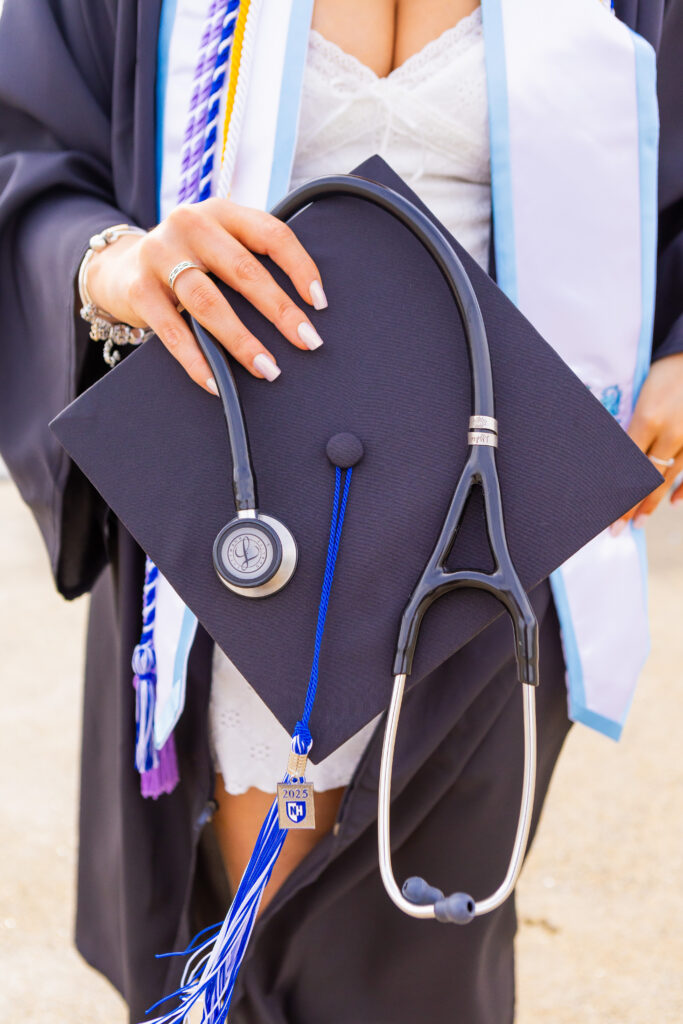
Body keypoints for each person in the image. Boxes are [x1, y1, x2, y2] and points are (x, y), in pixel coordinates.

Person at [0, 2, 681, 1022]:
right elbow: (26, 155)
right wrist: (112, 264)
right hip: (238, 512)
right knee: (229, 945)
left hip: (492, 535)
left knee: (418, 965)